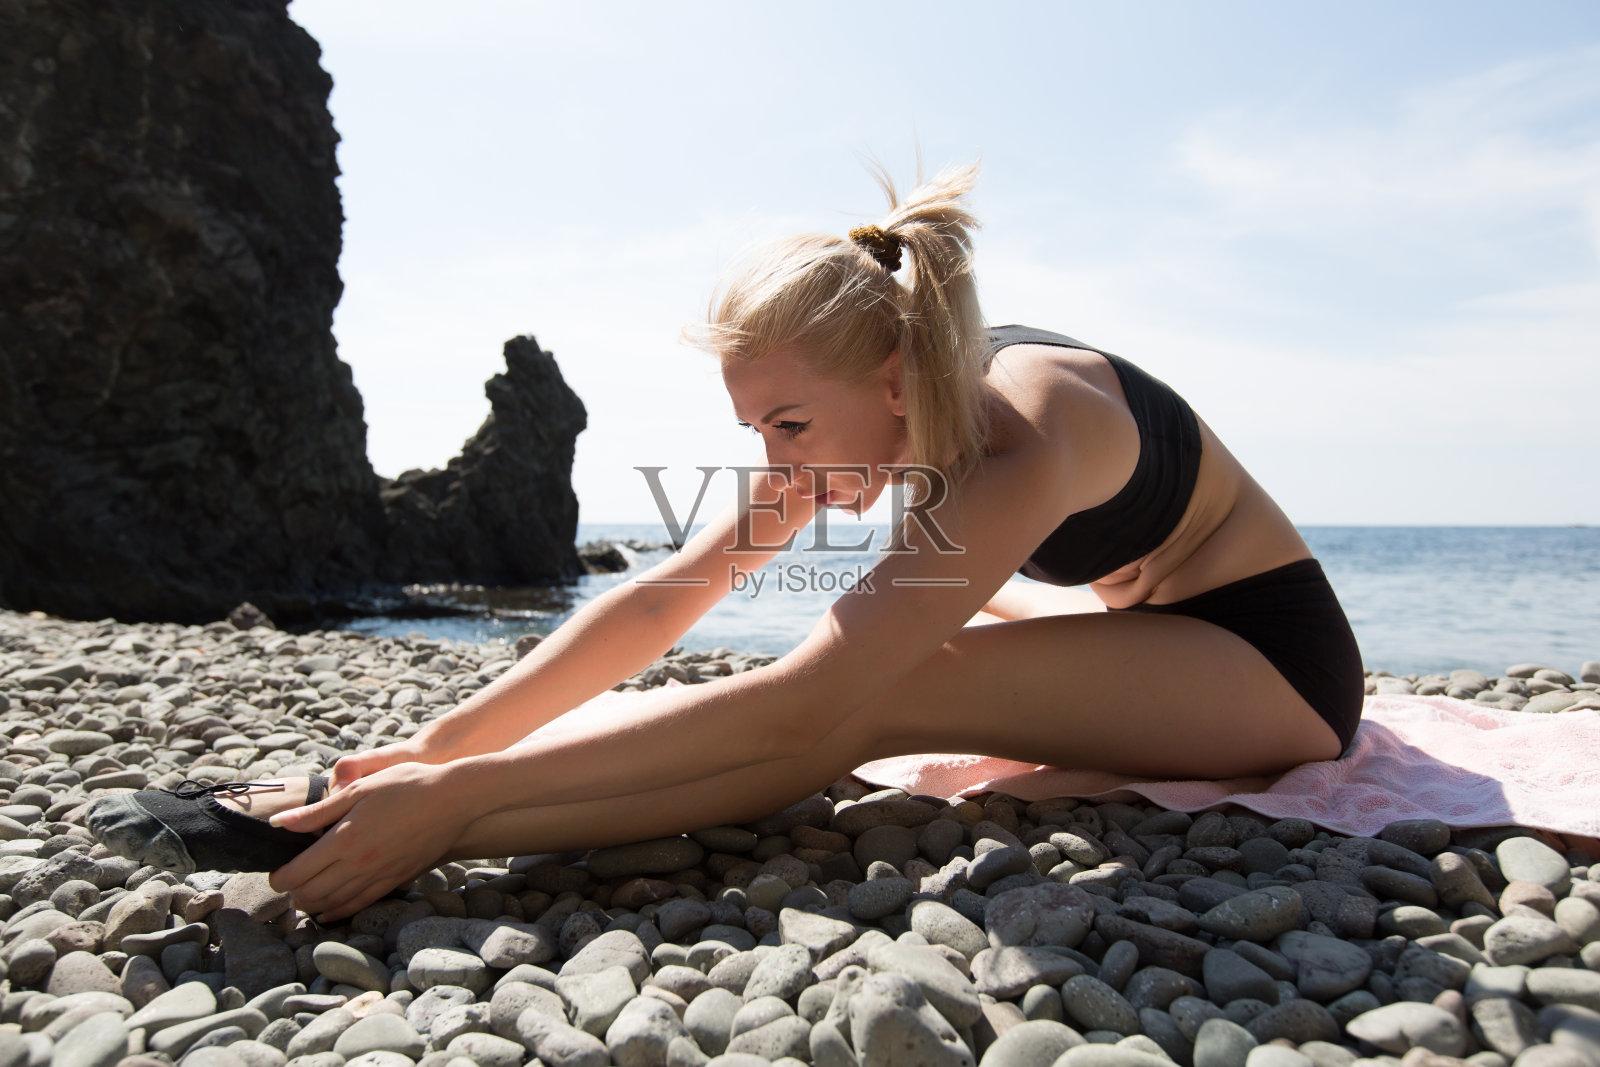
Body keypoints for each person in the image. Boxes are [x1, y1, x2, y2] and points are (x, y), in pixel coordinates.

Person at [88, 165, 1363, 922]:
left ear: (895, 376)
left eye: (792, 421)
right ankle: (391, 801)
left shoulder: (1034, 435)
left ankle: (425, 829)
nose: (779, 460)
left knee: (875, 691)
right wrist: (433, 744)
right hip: (1125, 629)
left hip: (1266, 662)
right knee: (847, 681)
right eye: (756, 425)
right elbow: (665, 600)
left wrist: (463, 796)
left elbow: (810, 696)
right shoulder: (867, 416)